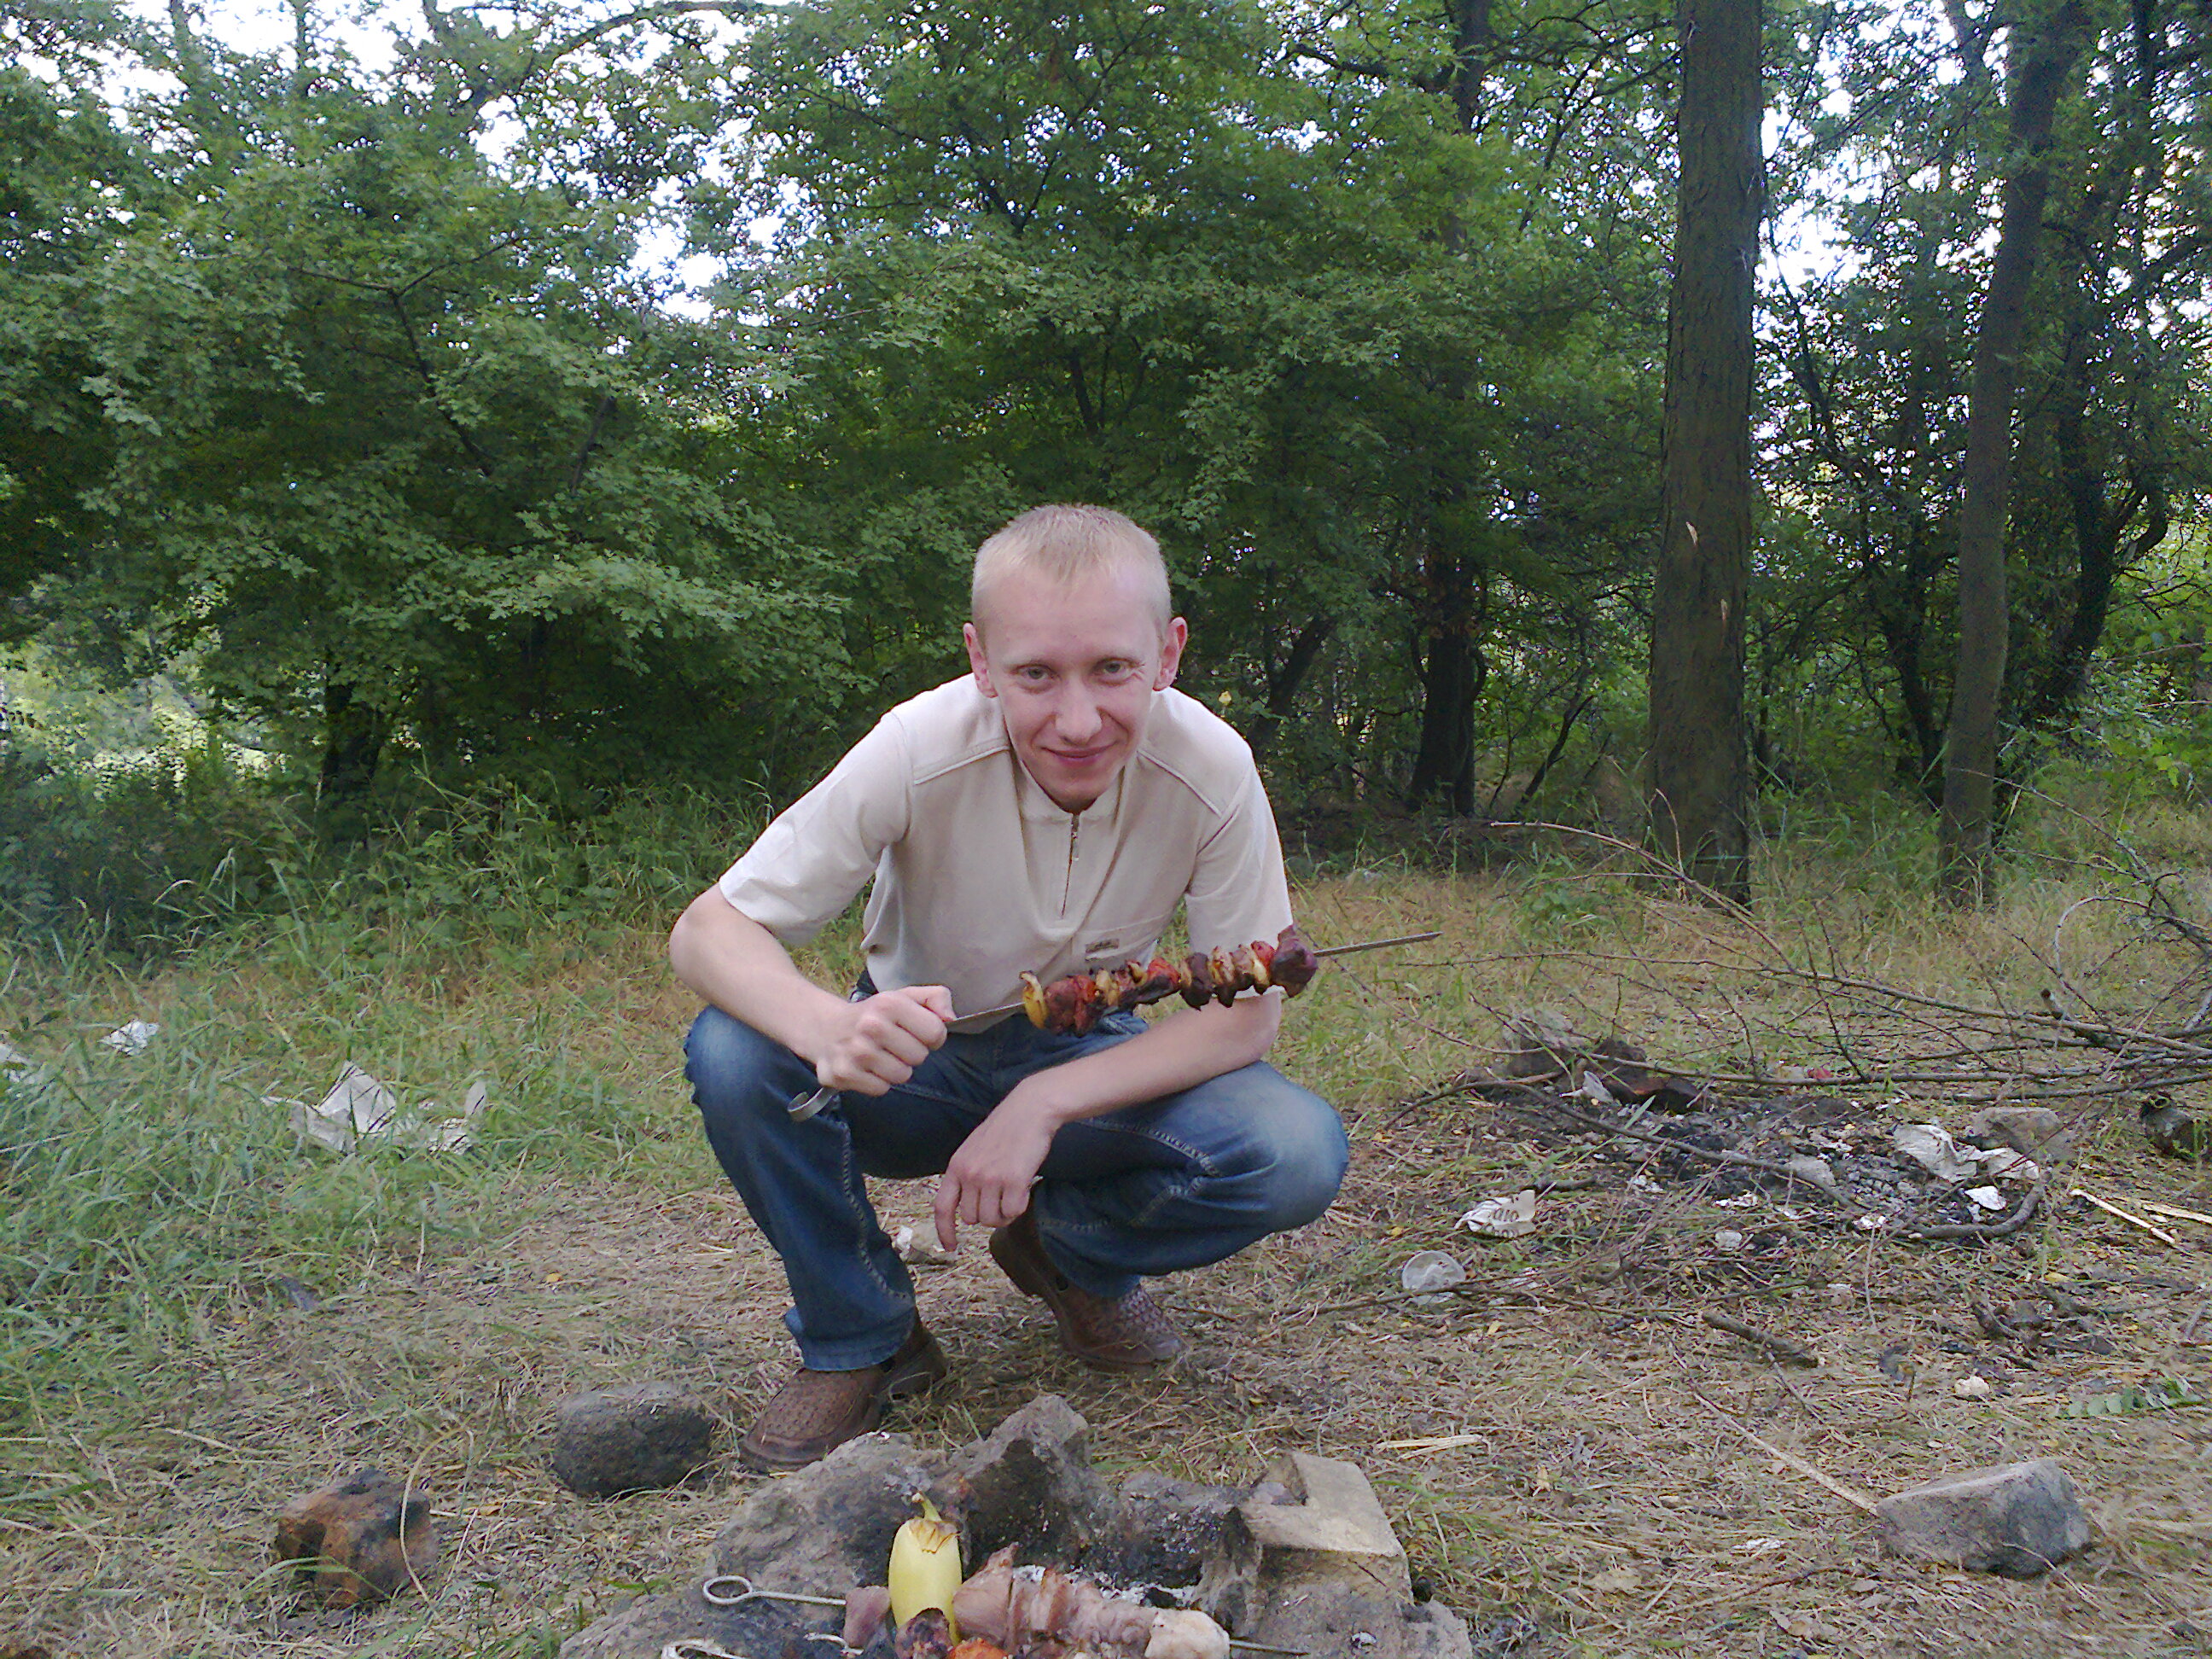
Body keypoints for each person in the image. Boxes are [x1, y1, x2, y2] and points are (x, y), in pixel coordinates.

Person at [669, 504, 1348, 1470]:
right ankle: (863, 1335)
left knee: (1293, 1150)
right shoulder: (917, 746)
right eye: (1035, 674)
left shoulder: (1213, 768)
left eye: (1111, 668)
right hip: (915, 1068)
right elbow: (708, 930)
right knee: (735, 1051)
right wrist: (826, 1026)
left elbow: (1244, 1021)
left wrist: (1041, 1102)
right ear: (981, 662)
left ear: (1168, 653)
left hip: (1089, 1061)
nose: (1077, 721)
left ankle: (1065, 1252)